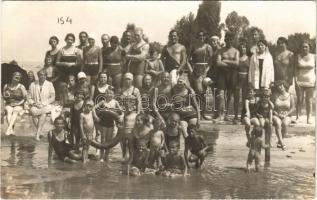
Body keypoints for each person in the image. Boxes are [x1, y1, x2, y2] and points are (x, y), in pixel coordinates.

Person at [215, 32, 240, 122]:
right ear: (225, 40)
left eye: (231, 40)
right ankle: (220, 115)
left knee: (231, 96)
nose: (229, 41)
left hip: (233, 75)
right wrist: (230, 63)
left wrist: (225, 60)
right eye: (228, 39)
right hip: (222, 75)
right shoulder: (220, 50)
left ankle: (230, 115)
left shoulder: (236, 51)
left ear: (233, 41)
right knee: (221, 95)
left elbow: (237, 63)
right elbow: (218, 63)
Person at [189, 30, 213, 120]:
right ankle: (195, 113)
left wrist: (207, 70)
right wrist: (191, 69)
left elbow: (211, 60)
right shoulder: (193, 46)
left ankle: (202, 114)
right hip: (195, 70)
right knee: (195, 92)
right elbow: (187, 59)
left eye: (203, 35)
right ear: (197, 36)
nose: (201, 37)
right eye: (199, 35)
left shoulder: (208, 47)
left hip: (204, 70)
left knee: (203, 92)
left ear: (205, 37)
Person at [95, 89, 123, 162]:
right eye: (108, 93)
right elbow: (94, 108)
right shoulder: (103, 102)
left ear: (113, 95)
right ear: (105, 94)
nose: (109, 95)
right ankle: (101, 156)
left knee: (109, 140)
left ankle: (106, 156)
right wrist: (96, 117)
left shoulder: (115, 102)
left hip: (111, 123)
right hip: (103, 123)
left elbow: (121, 111)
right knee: (103, 139)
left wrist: (118, 115)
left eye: (111, 93)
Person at [28, 70, 55, 140]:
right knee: (33, 112)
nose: (42, 76)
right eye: (40, 75)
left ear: (46, 76)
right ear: (38, 76)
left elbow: (53, 97)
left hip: (45, 105)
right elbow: (29, 97)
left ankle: (37, 134)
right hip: (35, 105)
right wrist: (34, 103)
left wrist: (43, 103)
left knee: (43, 113)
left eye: (44, 75)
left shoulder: (49, 84)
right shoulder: (33, 84)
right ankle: (40, 132)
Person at [120, 73, 142, 160]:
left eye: (129, 79)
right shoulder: (122, 89)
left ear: (132, 80)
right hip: (124, 114)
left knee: (132, 136)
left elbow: (139, 102)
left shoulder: (135, 90)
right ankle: (124, 155)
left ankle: (133, 155)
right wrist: (121, 112)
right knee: (123, 137)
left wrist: (138, 113)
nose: (127, 81)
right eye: (126, 79)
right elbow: (119, 103)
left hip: (133, 114)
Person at [295, 41, 315, 124]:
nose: (304, 48)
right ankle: (298, 117)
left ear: (309, 47)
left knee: (309, 100)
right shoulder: (298, 56)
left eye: (306, 46)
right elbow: (295, 70)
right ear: (300, 48)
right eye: (303, 47)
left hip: (311, 81)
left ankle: (309, 117)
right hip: (300, 81)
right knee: (299, 99)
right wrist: (295, 80)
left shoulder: (314, 56)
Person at [272, 81, 294, 149]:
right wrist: (278, 114)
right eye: (278, 86)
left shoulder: (290, 96)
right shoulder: (275, 95)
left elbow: (293, 108)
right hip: (276, 114)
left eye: (281, 86)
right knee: (278, 123)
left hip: (287, 115)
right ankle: (282, 143)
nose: (280, 87)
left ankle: (279, 141)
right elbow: (271, 108)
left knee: (284, 124)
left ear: (285, 86)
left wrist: (286, 115)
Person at [80, 99, 99, 163]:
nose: (88, 107)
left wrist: (94, 111)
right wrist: (82, 135)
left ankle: (86, 157)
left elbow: (96, 119)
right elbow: (80, 125)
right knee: (84, 147)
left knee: (88, 146)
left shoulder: (91, 113)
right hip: (85, 133)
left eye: (90, 106)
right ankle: (84, 160)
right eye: (87, 106)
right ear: (84, 106)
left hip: (91, 133)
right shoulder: (82, 114)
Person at [236, 42, 250, 121]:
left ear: (246, 48)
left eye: (244, 47)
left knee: (245, 98)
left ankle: (243, 115)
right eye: (241, 47)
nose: (242, 49)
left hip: (246, 80)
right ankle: (235, 115)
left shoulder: (249, 58)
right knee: (237, 97)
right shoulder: (237, 57)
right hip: (238, 79)